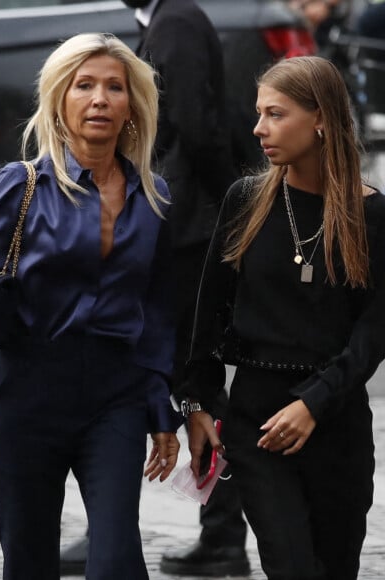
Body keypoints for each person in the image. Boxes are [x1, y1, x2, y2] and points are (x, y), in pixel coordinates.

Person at [0, 32, 182, 580]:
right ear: (59, 100)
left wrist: (162, 410)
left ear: (132, 108)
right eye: (84, 85)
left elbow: (159, 314)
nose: (100, 98)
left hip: (114, 398)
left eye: (114, 87)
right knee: (29, 561)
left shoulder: (156, 198)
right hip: (28, 396)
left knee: (118, 561)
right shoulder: (21, 183)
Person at [59, 1, 250, 577]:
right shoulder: (168, 21)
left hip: (187, 230)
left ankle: (219, 539)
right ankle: (134, 530)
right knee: (154, 370)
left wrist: (235, 211)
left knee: (192, 380)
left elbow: (196, 122)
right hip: (181, 222)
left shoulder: (179, 22)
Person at [182, 55, 385, 580]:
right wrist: (200, 402)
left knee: (335, 566)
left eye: (275, 114)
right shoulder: (245, 201)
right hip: (258, 423)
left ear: (319, 118)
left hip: (337, 419)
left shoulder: (374, 216)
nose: (258, 128)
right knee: (291, 566)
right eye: (258, 113)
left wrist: (315, 403)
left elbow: (376, 329)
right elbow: (208, 311)